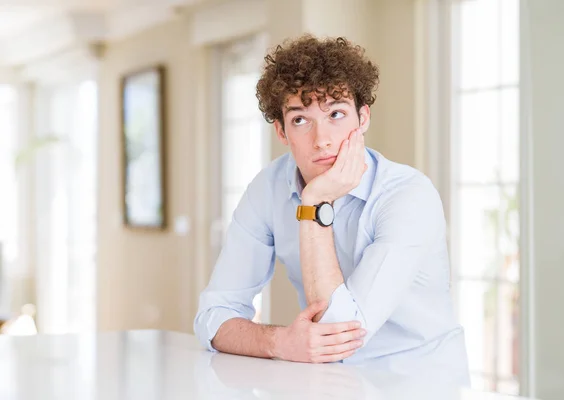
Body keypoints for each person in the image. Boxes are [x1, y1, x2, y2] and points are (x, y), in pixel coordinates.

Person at [194, 35, 469, 385]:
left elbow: (340, 336)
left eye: (336, 114)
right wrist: (280, 341)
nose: (321, 139)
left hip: (419, 385)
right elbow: (212, 317)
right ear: (281, 130)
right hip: (333, 385)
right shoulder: (268, 189)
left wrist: (314, 204)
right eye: (300, 120)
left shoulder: (408, 197)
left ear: (363, 118)